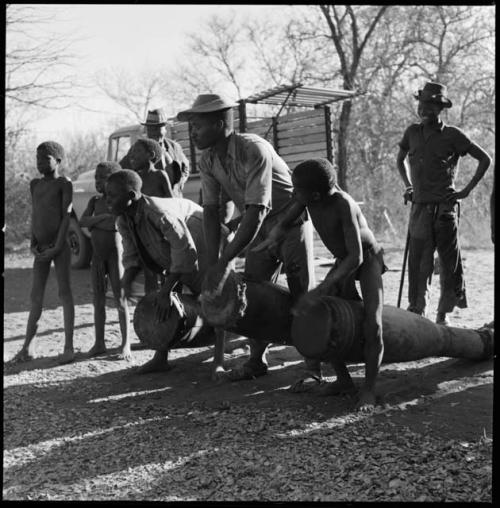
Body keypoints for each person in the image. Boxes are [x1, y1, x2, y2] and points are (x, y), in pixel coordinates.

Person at [177, 93, 316, 381]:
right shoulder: (208, 161)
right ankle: (257, 360)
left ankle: (313, 366)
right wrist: (215, 259)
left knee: (302, 294)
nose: (193, 134)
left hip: (290, 222)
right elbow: (212, 212)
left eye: (197, 127)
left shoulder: (255, 149)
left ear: (219, 124)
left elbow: (257, 211)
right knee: (251, 296)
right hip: (258, 227)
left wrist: (226, 261)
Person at [256, 158, 385, 410]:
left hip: (367, 259)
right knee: (327, 319)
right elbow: (285, 221)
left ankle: (369, 389)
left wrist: (324, 286)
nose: (293, 193)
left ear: (315, 195)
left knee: (374, 325)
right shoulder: (306, 199)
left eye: (297, 190)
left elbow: (356, 256)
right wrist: (272, 238)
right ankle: (344, 380)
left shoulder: (343, 205)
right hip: (343, 260)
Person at [105, 169, 228, 379]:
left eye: (112, 196)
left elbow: (186, 253)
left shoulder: (158, 213)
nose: (107, 200)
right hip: (174, 252)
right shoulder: (123, 220)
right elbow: (133, 255)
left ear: (132, 196)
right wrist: (125, 283)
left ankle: (219, 359)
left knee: (212, 297)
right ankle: (160, 358)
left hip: (200, 236)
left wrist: (166, 290)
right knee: (166, 303)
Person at [396, 82, 491, 325]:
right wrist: (409, 186)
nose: (424, 108)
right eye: (422, 103)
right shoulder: (412, 133)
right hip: (419, 209)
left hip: (445, 210)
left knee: (449, 264)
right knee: (418, 263)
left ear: (440, 108)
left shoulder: (453, 135)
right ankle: (417, 311)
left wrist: (465, 191)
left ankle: (443, 315)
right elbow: (400, 160)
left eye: (430, 105)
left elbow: (484, 159)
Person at [10, 141, 75, 364]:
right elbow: (36, 216)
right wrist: (32, 243)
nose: (39, 163)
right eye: (37, 158)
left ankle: (69, 347)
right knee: (35, 297)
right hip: (40, 248)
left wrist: (57, 246)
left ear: (58, 161)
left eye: (44, 159)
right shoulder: (35, 184)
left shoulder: (64, 183)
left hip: (60, 247)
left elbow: (66, 216)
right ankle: (27, 348)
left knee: (64, 294)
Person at [79, 161, 131, 360]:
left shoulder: (116, 201)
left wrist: (96, 221)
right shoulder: (94, 201)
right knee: (98, 300)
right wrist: (100, 219)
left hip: (115, 254)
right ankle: (99, 343)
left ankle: (125, 344)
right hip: (98, 256)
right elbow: (84, 221)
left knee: (120, 299)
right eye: (96, 178)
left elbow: (114, 222)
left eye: (102, 178)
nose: (97, 181)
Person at [120, 108, 190, 197]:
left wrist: (180, 183)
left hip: (173, 200)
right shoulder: (138, 149)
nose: (153, 133)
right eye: (150, 129)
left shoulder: (174, 147)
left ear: (165, 129)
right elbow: (122, 170)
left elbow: (185, 168)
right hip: (150, 203)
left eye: (157, 128)